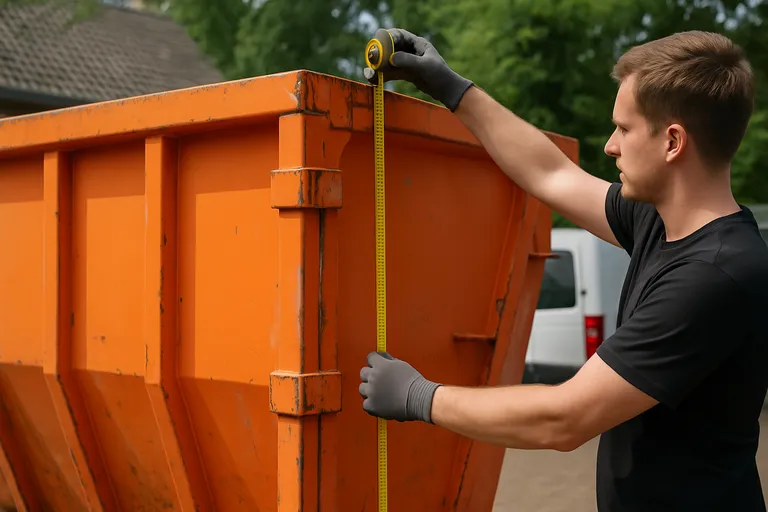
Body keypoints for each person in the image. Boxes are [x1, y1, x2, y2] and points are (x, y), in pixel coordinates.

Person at [357, 28, 768, 511]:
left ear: (673, 142)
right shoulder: (660, 222)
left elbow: (565, 418)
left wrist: (419, 397)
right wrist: (452, 87)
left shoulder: (713, 275)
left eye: (624, 128)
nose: (611, 146)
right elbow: (550, 175)